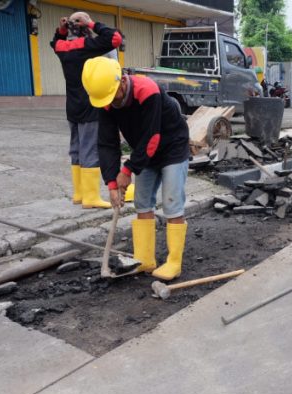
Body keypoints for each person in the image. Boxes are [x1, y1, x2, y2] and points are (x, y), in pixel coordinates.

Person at [81, 57, 190, 281]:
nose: (110, 102)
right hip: (145, 151)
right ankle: (145, 259)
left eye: (113, 96)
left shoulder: (148, 91)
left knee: (171, 202)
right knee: (142, 202)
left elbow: (153, 136)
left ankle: (174, 262)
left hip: (172, 147)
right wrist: (111, 182)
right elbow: (107, 144)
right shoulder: (106, 102)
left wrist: (128, 170)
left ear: (122, 81)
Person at [51, 12, 123, 209]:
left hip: (72, 107)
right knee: (90, 149)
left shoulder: (62, 47)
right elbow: (115, 38)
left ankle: (79, 194)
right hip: (90, 106)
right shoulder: (88, 47)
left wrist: (62, 30)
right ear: (84, 26)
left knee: (76, 149)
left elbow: (55, 40)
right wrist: (92, 23)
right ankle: (91, 198)